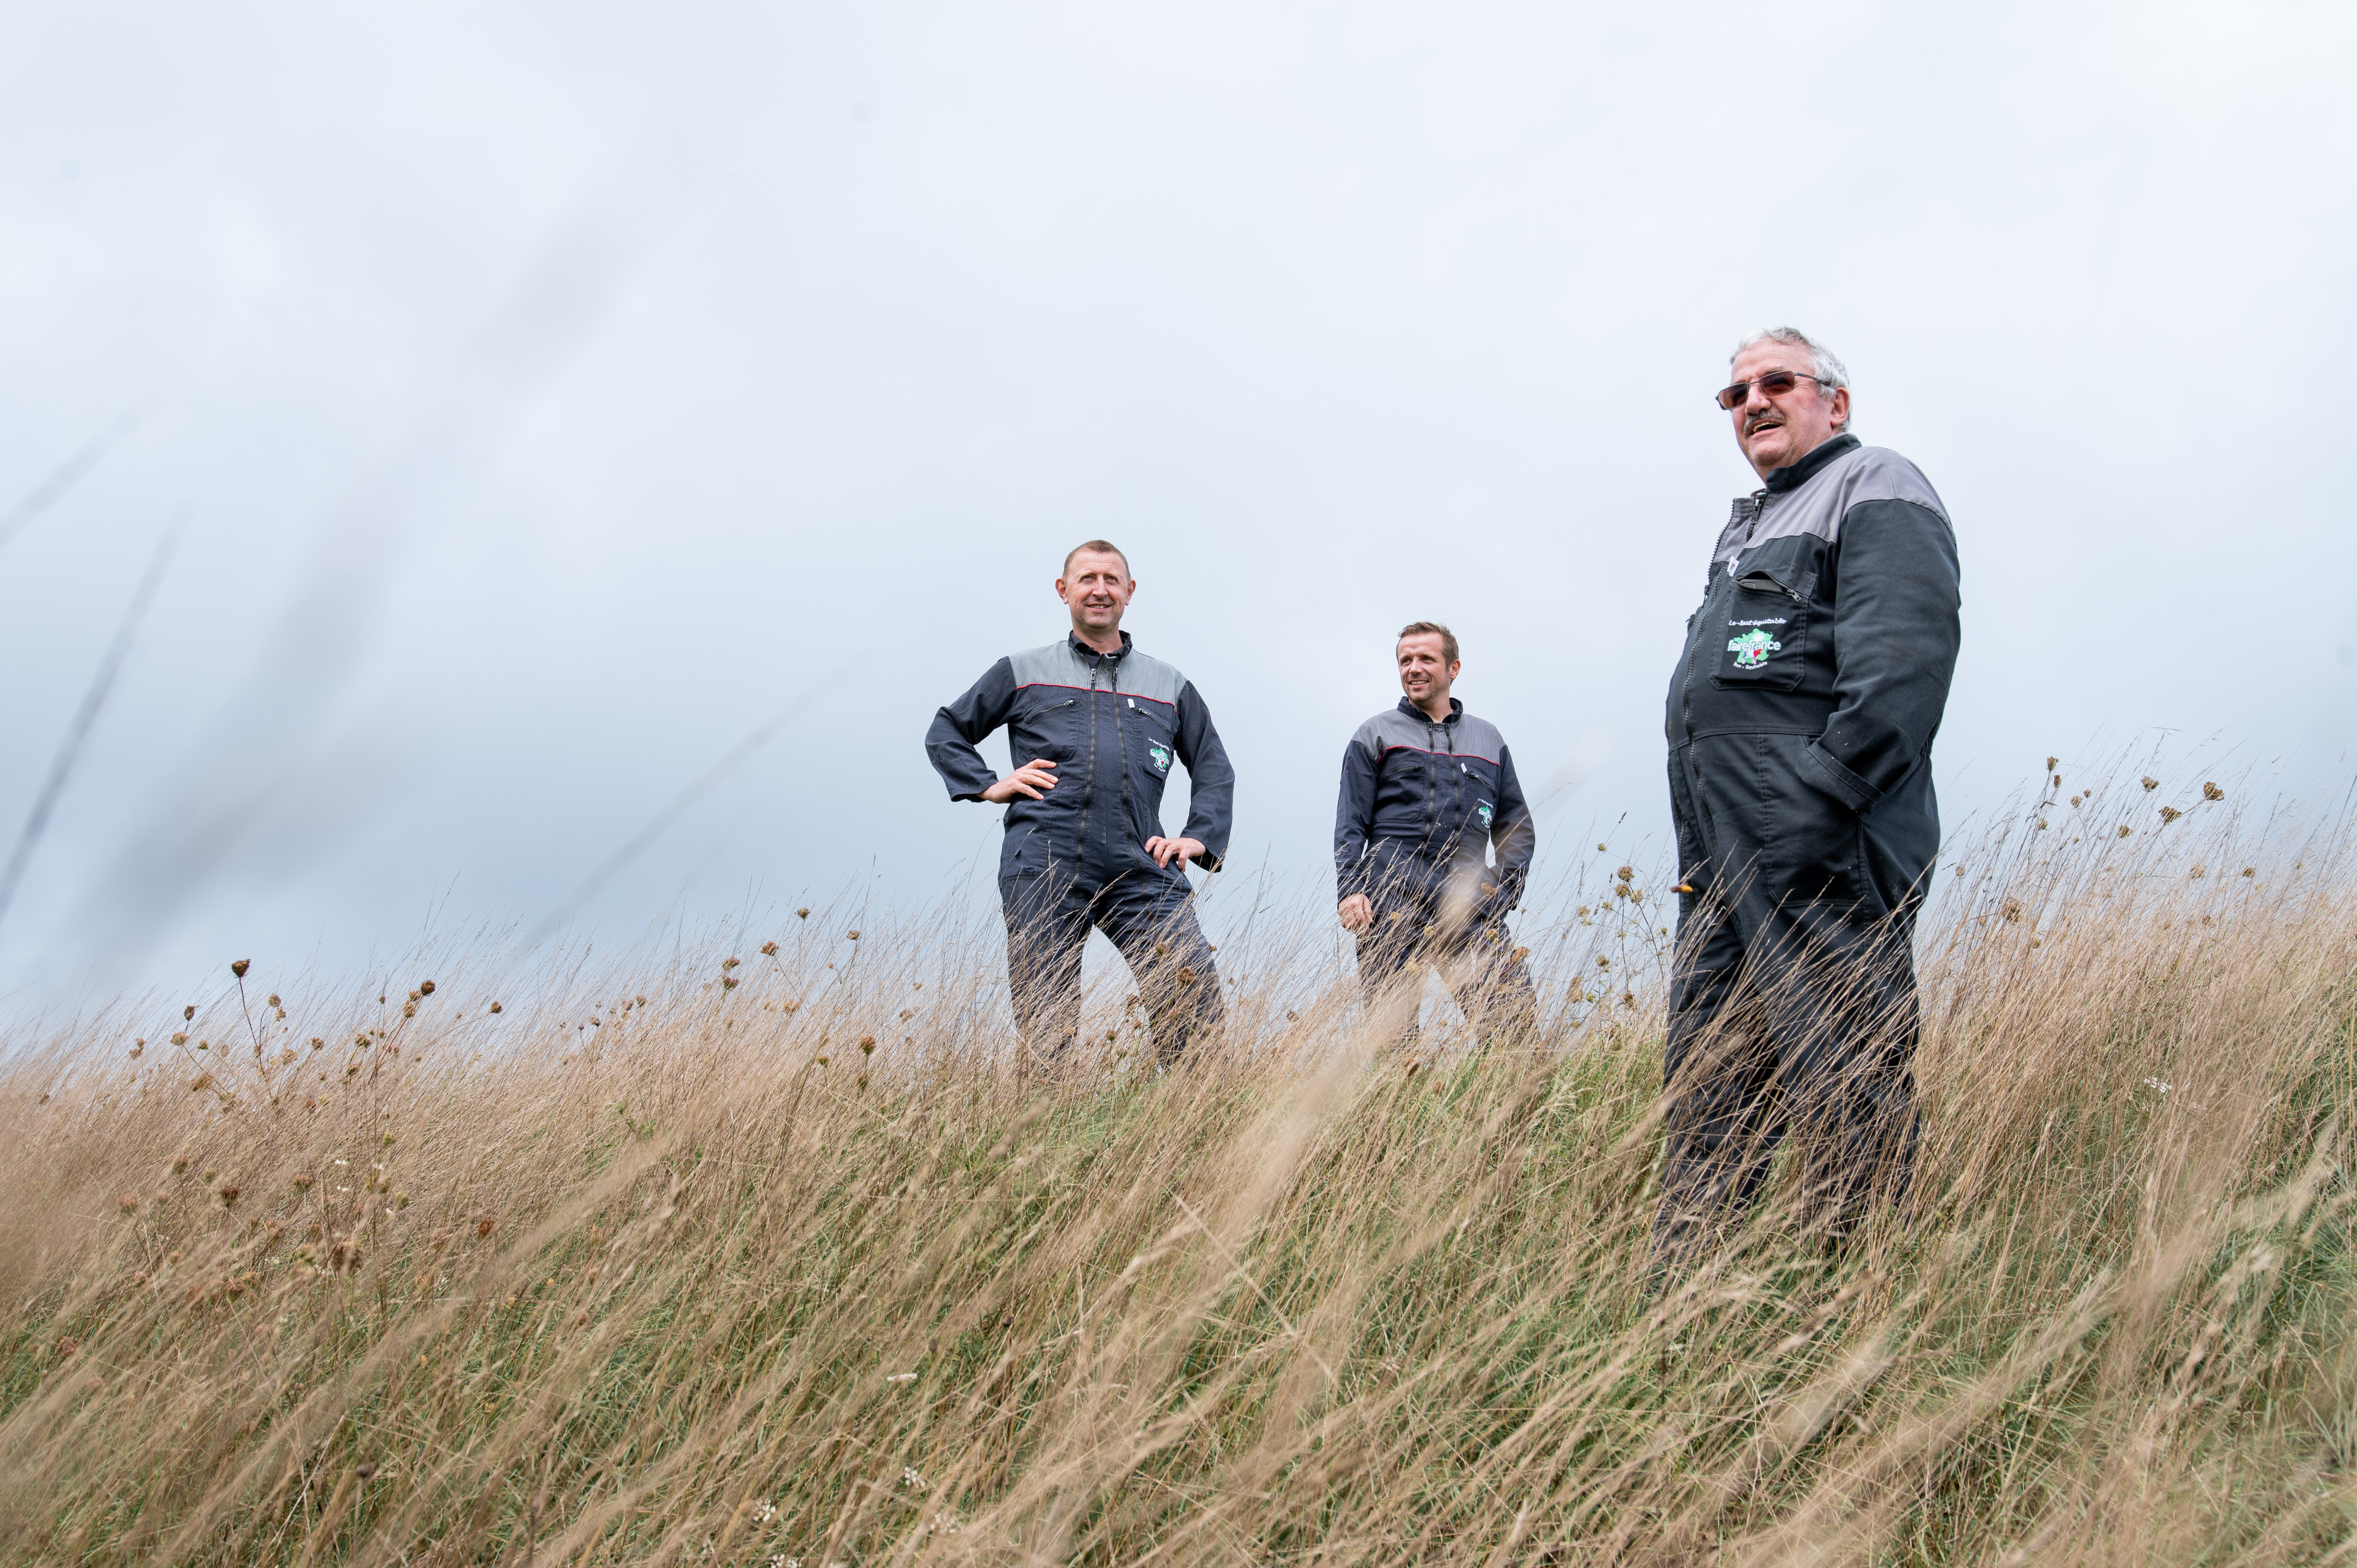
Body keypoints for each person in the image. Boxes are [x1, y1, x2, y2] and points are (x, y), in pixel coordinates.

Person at [1657, 327, 1961, 1260]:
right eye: (1735, 392)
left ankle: (1853, 1299)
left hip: (1818, 845)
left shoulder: (1876, 484)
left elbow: (1904, 662)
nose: (1752, 400)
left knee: (1844, 1073)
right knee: (1707, 1086)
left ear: (1833, 400)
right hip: (1717, 863)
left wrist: (1820, 804)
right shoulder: (1743, 525)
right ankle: (1690, 1310)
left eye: (1775, 382)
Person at [926, 541, 1234, 1070]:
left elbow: (1212, 767)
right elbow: (947, 731)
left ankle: (1199, 1129)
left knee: (1190, 991)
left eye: (1112, 580)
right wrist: (987, 785)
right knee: (1047, 1016)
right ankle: (1046, 1140)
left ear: (1130, 593)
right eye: (1087, 578)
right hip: (1044, 857)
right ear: (1063, 590)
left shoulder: (1170, 684)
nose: (1100, 590)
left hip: (1144, 862)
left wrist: (1198, 837)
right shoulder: (1022, 670)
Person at [1334, 621, 1539, 1047]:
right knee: (1392, 1041)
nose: (1414, 668)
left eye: (1426, 659)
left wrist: (1501, 891)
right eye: (1405, 660)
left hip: (1468, 895)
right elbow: (1351, 823)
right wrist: (1351, 890)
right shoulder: (1374, 734)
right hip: (1392, 890)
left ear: (1453, 668)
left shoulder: (1489, 739)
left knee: (1513, 1031)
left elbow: (1516, 826)